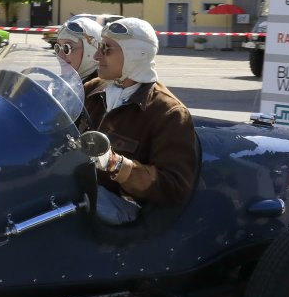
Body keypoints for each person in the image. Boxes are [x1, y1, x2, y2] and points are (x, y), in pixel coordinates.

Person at [55, 14, 198, 209]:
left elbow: (174, 188)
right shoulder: (92, 89)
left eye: (106, 49)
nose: (97, 56)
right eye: (99, 47)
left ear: (135, 54)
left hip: (123, 206)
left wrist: (115, 164)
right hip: (79, 189)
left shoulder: (169, 112)